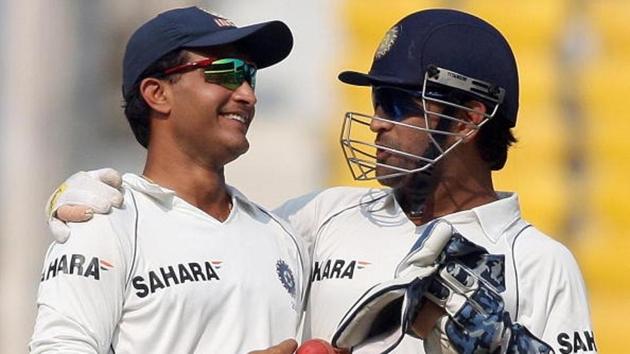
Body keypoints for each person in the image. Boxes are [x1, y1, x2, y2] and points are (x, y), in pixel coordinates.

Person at [46, 9, 597, 353]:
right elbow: (206, 231)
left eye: (402, 103)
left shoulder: (539, 263)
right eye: (378, 101)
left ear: (471, 117)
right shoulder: (319, 218)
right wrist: (82, 197)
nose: (379, 120)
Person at [31, 7, 308, 354]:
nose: (247, 95)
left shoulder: (281, 237)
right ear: (157, 93)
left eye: (249, 75)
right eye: (225, 72)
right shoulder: (104, 221)